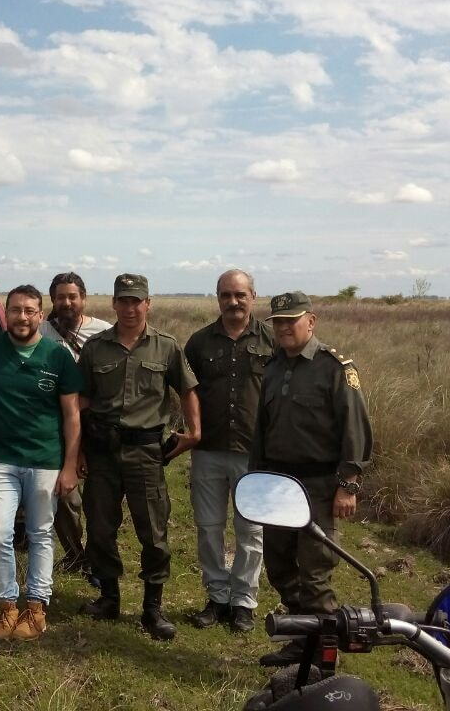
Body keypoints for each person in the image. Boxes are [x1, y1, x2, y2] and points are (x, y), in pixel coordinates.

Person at [0, 284, 82, 642]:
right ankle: (6, 606)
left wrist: (69, 466)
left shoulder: (58, 356)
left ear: (40, 315)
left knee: (39, 533)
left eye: (29, 311)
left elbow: (71, 416)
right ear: (6, 313)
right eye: (16, 310)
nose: (22, 317)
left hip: (45, 459)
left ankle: (36, 608)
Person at [249, 291, 372, 666]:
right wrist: (257, 483)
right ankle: (302, 642)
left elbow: (355, 430)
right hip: (278, 485)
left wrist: (347, 486)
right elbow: (262, 431)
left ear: (311, 321)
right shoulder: (272, 368)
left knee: (315, 573)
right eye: (279, 322)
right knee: (280, 566)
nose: (285, 328)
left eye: (292, 320)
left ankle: (324, 657)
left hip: (319, 487)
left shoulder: (335, 368)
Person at [77, 273, 201, 641]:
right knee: (100, 527)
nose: (130, 308)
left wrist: (194, 432)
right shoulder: (96, 347)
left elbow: (188, 389)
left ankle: (152, 609)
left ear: (148, 303)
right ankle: (109, 597)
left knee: (154, 531)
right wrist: (80, 449)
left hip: (145, 451)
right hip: (102, 450)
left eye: (137, 301)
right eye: (123, 301)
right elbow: (81, 401)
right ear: (113, 304)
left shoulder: (166, 346)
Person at [183, 270, 274, 633]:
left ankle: (244, 602)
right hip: (208, 451)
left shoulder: (271, 340)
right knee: (209, 528)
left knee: (250, 530)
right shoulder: (200, 342)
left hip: (254, 453)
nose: (233, 301)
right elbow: (185, 391)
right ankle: (217, 597)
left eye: (240, 294)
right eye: (225, 295)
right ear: (217, 298)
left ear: (253, 295)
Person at [39, 272, 110, 581]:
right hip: (57, 427)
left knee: (99, 498)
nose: (66, 303)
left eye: (72, 296)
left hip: (97, 427)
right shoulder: (40, 333)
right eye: (60, 297)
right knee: (65, 497)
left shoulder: (105, 332)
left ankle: (97, 557)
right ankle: (74, 553)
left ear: (84, 297)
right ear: (52, 300)